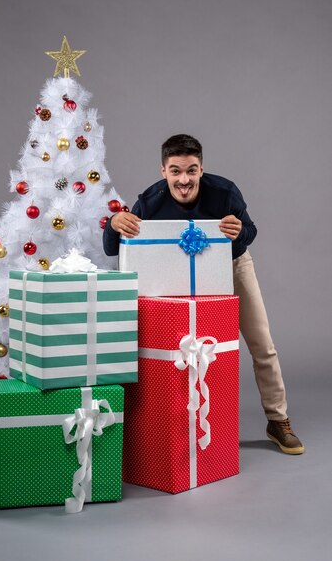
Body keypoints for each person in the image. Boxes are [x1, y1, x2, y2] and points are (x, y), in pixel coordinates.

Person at [103, 134, 304, 455]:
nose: (184, 180)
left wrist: (240, 232)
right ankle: (151, 424)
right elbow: (113, 248)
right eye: (175, 171)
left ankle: (277, 419)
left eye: (191, 170)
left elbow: (250, 231)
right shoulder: (150, 201)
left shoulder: (225, 191)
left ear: (201, 168)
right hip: (172, 270)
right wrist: (114, 222)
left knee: (262, 343)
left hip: (231, 265)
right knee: (158, 346)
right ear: (163, 170)